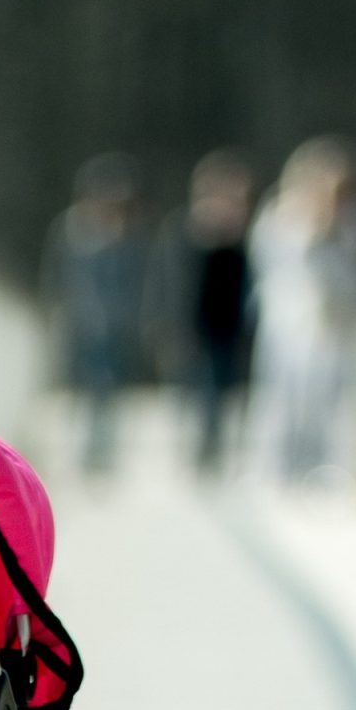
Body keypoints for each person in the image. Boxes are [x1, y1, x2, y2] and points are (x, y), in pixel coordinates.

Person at [249, 137, 356, 483]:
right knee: (283, 398)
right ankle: (280, 469)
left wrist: (333, 246)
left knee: (335, 402)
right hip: (289, 323)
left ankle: (329, 471)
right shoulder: (282, 217)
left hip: (341, 323)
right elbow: (275, 270)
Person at [147, 149, 255, 474]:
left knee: (220, 391)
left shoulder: (240, 239)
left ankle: (213, 449)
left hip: (226, 327)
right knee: (193, 390)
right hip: (190, 327)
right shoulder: (182, 231)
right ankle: (197, 449)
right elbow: (166, 281)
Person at [42, 154, 145, 476]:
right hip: (80, 322)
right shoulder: (71, 229)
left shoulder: (125, 234)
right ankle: (80, 449)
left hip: (113, 325)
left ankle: (101, 451)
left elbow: (134, 279)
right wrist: (55, 308)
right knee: (81, 386)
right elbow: (55, 273)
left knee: (108, 387)